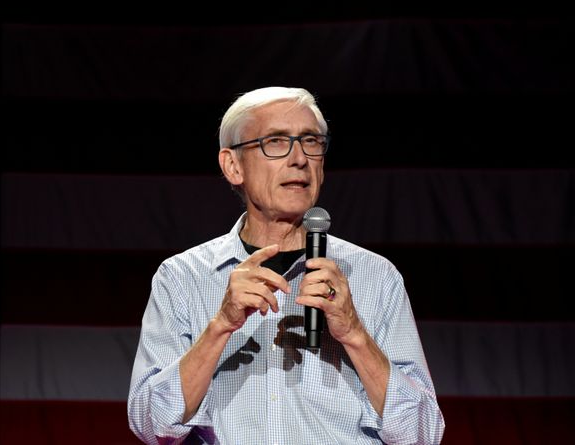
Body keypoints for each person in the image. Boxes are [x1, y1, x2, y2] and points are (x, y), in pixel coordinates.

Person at [127, 86, 445, 444]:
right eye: (275, 142)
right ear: (233, 166)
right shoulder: (182, 278)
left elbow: (422, 434)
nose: (299, 159)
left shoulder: (375, 276)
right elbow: (152, 425)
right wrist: (220, 327)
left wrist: (354, 335)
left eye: (311, 142)